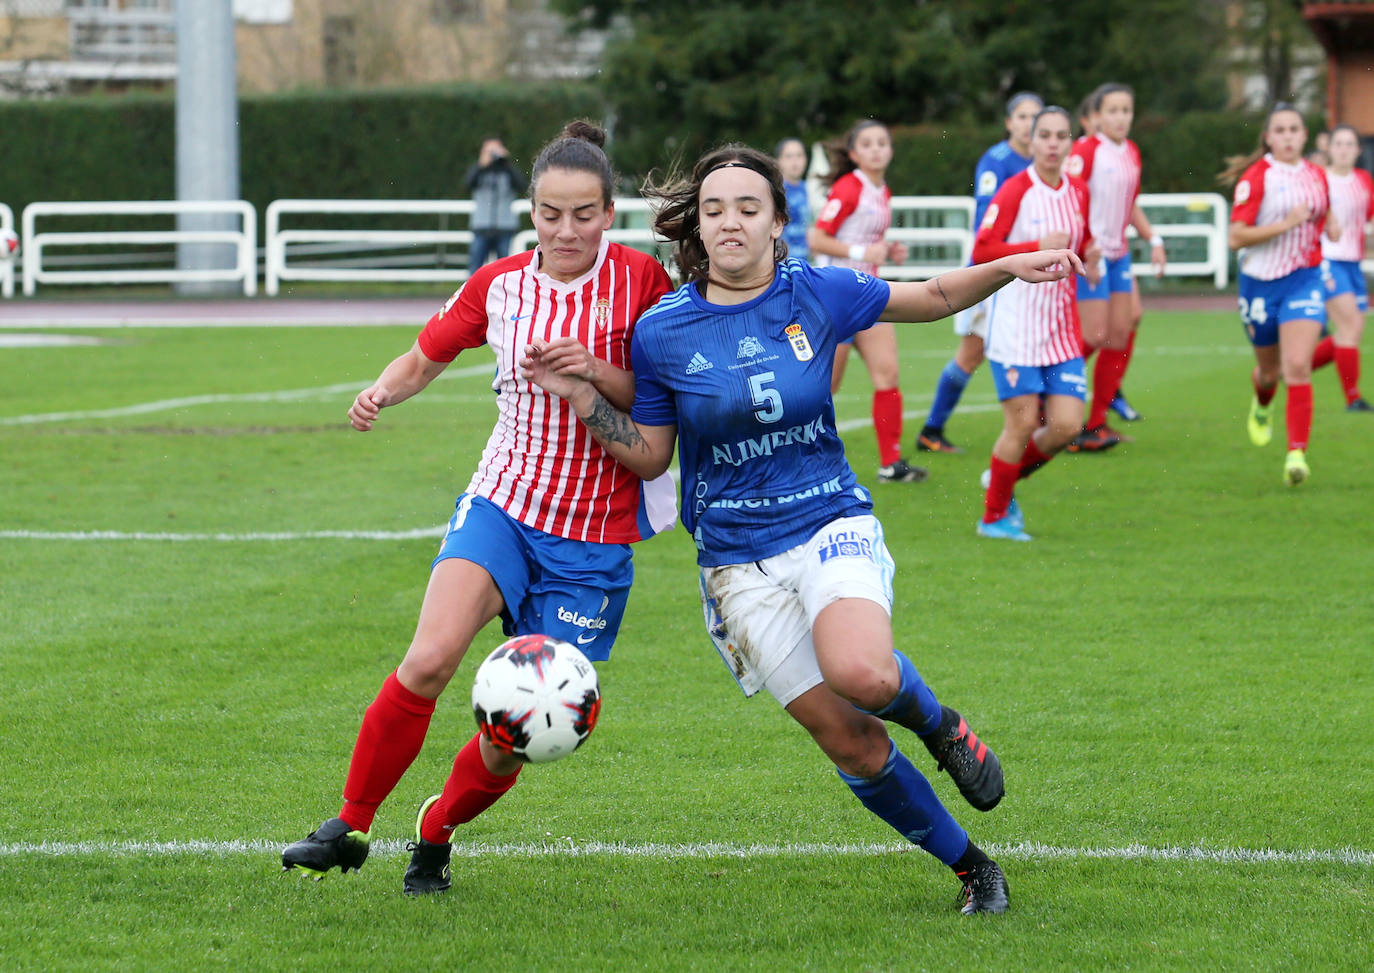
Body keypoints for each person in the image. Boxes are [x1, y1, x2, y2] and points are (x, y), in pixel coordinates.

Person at [523, 143, 1086, 915]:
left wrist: (1007, 265)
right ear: (698, 223)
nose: (731, 222)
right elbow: (653, 457)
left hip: (828, 520)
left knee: (865, 674)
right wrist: (583, 394)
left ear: (778, 222)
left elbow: (928, 295)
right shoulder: (663, 331)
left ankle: (943, 725)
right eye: (715, 208)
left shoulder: (814, 292)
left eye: (749, 208)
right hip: (735, 564)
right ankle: (972, 867)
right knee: (850, 739)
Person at [281, 121, 677, 895]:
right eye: (551, 213)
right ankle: (350, 822)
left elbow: (660, 402)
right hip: (504, 501)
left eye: (585, 214)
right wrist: (381, 391)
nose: (567, 230)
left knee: (518, 734)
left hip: (593, 538)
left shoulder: (644, 284)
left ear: (609, 212)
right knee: (429, 658)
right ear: (530, 209)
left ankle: (436, 830)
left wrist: (591, 372)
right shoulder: (498, 284)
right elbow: (426, 354)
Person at [973, 106, 1101, 540]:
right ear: (1030, 139)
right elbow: (982, 249)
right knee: (1023, 424)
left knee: (1066, 426)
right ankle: (993, 518)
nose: (1052, 143)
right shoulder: (1014, 190)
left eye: (1061, 136)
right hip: (1016, 328)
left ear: (1070, 143)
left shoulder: (1079, 190)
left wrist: (1092, 256)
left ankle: (1003, 480)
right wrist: (1035, 246)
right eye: (1044, 135)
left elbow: (1077, 245)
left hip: (1061, 330)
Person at [916, 91, 1043, 454]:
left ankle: (1048, 424)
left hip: (1028, 275)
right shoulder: (998, 161)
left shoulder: (1044, 164)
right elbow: (987, 226)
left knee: (1037, 345)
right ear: (1008, 123)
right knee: (972, 354)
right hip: (994, 274)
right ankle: (931, 430)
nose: (1028, 124)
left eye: (1035, 117)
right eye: (1021, 116)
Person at [1222, 103, 1341, 486]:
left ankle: (1296, 454)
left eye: (1295, 129)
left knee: (1297, 365)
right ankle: (1262, 402)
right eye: (1281, 130)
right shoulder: (1257, 178)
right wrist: (1284, 224)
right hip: (1260, 285)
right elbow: (1235, 237)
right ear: (1269, 137)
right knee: (1270, 372)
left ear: (1305, 135)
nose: (1288, 136)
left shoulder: (1317, 175)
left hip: (1304, 279)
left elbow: (1322, 213)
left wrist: (1333, 223)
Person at [807, 119, 924, 483]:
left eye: (882, 143)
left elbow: (869, 242)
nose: (877, 149)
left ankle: (891, 464)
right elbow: (816, 238)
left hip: (869, 295)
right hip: (835, 299)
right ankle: (798, 457)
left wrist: (888, 251)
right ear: (854, 153)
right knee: (824, 387)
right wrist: (863, 250)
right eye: (868, 144)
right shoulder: (848, 187)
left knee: (887, 374)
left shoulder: (881, 190)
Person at [1064, 83, 1166, 453]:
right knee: (1091, 336)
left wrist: (1153, 240)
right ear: (1097, 116)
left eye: (1127, 110)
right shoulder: (1087, 150)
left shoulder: (1132, 152)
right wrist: (1085, 244)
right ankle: (1051, 402)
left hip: (1118, 254)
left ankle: (1095, 422)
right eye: (1113, 110)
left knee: (1122, 332)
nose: (1121, 117)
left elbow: (1130, 202)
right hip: (1092, 255)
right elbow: (1068, 196)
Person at [1315, 124, 1373, 411]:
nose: (1344, 149)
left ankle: (1291, 368)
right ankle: (1353, 397)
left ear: (1358, 150)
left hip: (1353, 263)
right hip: (1328, 261)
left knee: (1350, 332)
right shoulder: (1319, 180)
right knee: (1349, 325)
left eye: (1350, 144)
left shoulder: (1363, 180)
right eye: (1338, 143)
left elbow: (1368, 220)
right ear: (1330, 148)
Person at [464, 136, 529, 271]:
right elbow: (467, 185)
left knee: (504, 269)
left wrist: (507, 163)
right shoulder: (478, 171)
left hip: (504, 227)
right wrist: (481, 165)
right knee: (475, 267)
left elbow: (523, 186)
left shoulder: (507, 171)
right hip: (482, 226)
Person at [775, 137, 812, 262]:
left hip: (807, 262)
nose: (795, 161)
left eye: (799, 155)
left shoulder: (809, 189)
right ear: (779, 161)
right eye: (789, 156)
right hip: (782, 262)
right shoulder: (775, 190)